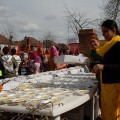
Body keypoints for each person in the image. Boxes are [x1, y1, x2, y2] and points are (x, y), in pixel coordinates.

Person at [93, 19, 120, 120]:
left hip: (115, 88)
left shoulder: (118, 44)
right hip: (107, 87)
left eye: (105, 31)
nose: (103, 34)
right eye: (102, 32)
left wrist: (103, 67)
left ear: (113, 30)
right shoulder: (109, 45)